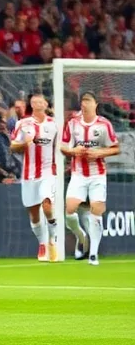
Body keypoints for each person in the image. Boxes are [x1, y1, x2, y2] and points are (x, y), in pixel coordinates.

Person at [60, 92, 120, 265]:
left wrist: (100, 152)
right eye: (83, 101)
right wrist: (74, 151)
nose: (85, 104)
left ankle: (93, 254)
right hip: (78, 174)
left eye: (89, 101)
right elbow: (64, 147)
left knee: (96, 212)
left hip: (97, 174)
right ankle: (82, 236)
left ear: (96, 104)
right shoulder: (73, 123)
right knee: (69, 211)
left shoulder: (104, 124)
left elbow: (115, 148)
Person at [8, 92, 59, 262]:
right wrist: (25, 143)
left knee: (47, 205)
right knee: (34, 214)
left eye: (41, 101)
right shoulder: (23, 123)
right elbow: (13, 146)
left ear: (46, 104)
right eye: (34, 101)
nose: (37, 103)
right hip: (29, 175)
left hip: (48, 173)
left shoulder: (55, 124)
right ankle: (42, 243)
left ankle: (53, 239)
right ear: (31, 104)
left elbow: (63, 145)